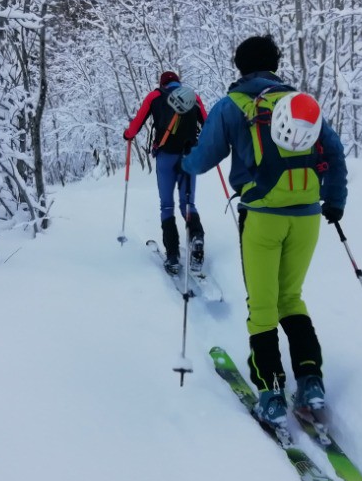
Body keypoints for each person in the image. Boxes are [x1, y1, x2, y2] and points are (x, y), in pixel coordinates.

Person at [182, 35, 347, 428]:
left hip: (261, 215)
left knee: (262, 305)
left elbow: (203, 160)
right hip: (307, 215)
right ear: (276, 63)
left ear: (239, 66)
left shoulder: (232, 105)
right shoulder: (301, 105)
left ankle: (271, 391)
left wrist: (185, 162)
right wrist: (335, 201)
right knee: (291, 297)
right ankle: (310, 382)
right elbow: (335, 152)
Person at [123, 71, 208, 274]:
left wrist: (128, 135)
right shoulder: (193, 96)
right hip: (189, 155)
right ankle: (196, 239)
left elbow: (137, 123)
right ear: (179, 82)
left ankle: (172, 257)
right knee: (188, 203)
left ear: (162, 84)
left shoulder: (154, 96)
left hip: (165, 155)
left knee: (166, 205)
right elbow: (207, 122)